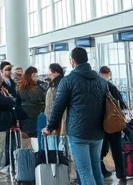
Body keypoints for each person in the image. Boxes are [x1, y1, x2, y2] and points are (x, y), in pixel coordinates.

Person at [42, 47, 108, 185]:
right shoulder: (101, 81)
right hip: (98, 132)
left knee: (84, 171)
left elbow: (58, 107)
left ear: (72, 61)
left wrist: (50, 127)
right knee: (96, 169)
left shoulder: (68, 80)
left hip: (78, 132)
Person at [98, 66, 126, 181]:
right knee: (116, 148)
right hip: (113, 122)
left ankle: (102, 170)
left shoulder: (97, 86)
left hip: (100, 123)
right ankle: (121, 172)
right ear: (109, 74)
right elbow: (122, 105)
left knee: (100, 149)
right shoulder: (112, 87)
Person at [16, 66, 46, 142]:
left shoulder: (20, 88)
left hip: (24, 119)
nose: (37, 77)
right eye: (36, 75)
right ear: (32, 75)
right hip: (37, 118)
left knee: (30, 142)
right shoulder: (38, 88)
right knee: (39, 140)